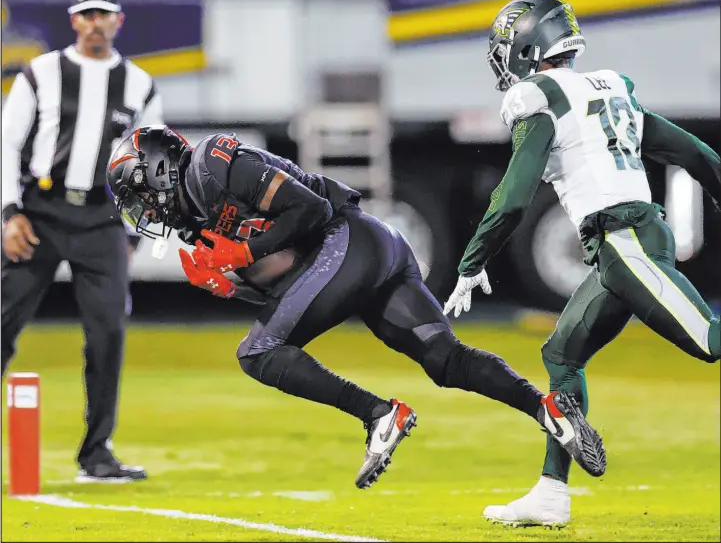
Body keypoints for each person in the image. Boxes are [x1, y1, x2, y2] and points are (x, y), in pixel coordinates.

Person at [106, 125, 607, 490]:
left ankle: (378, 415)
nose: (145, 211)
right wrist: (228, 287)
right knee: (445, 360)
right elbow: (283, 292)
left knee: (257, 353)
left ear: (158, 168)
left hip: (349, 240)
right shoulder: (196, 221)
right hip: (364, 253)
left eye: (141, 196)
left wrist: (241, 253)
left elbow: (312, 209)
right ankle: (546, 409)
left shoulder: (212, 163)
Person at [443, 0, 721, 526]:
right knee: (562, 355)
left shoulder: (539, 98)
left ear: (526, 46)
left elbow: (513, 198)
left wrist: (471, 261)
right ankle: (551, 493)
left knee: (709, 341)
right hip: (618, 246)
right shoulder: (611, 89)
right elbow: (697, 155)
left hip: (625, 243)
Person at [1, 0, 163, 482]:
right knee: (2, 325)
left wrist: (134, 234)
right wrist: (8, 214)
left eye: (104, 14)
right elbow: (7, 145)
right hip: (40, 215)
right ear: (74, 20)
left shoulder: (140, 84)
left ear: (118, 20)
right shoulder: (40, 74)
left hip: (102, 221)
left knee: (108, 334)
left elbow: (151, 166)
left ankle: (97, 453)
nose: (95, 23)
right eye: (87, 14)